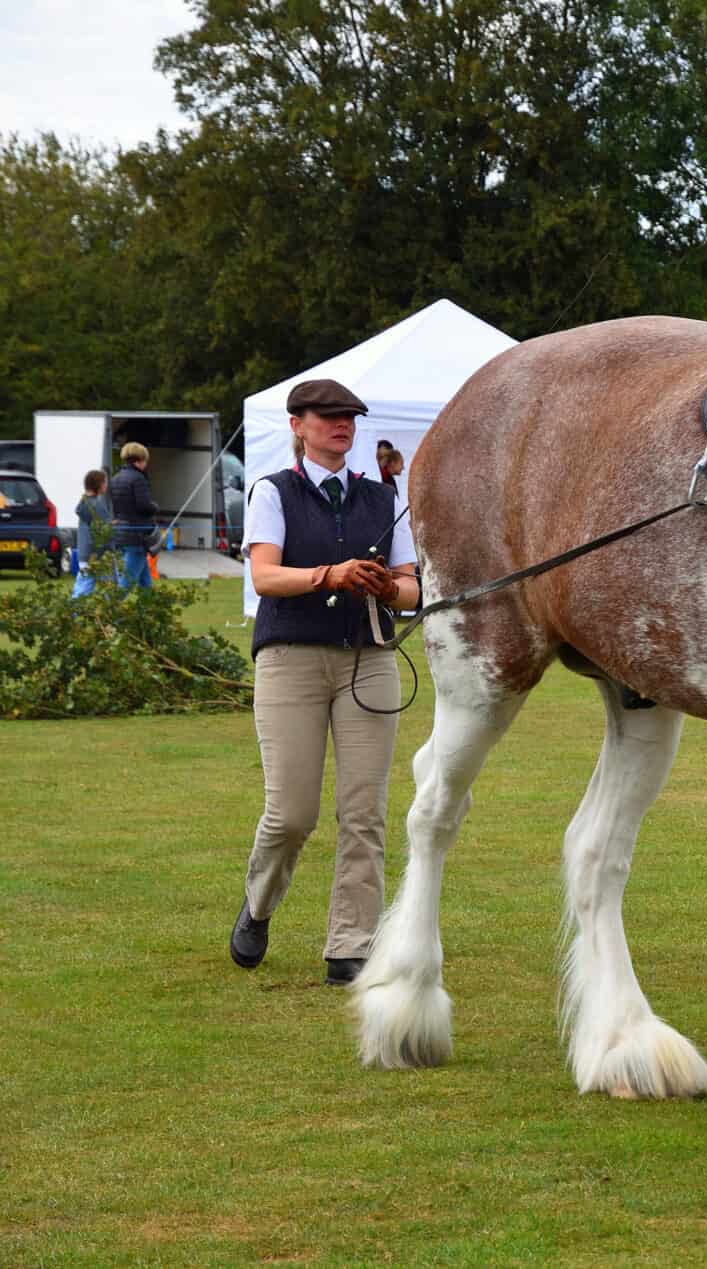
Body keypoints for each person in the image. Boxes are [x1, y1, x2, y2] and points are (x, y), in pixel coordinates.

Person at [228, 378, 421, 986]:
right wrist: (328, 575)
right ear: (297, 424)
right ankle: (258, 904)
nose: (342, 424)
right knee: (291, 813)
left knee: (365, 811)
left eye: (349, 417)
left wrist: (389, 588)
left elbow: (415, 588)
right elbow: (263, 577)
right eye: (328, 415)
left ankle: (351, 944)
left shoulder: (385, 499)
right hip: (290, 659)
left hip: (370, 659)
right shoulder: (272, 492)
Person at [107, 442, 158, 588]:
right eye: (145, 461)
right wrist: (155, 507)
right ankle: (110, 608)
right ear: (139, 460)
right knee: (126, 583)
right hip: (137, 536)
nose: (146, 464)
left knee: (145, 582)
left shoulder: (115, 479)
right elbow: (143, 506)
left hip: (121, 534)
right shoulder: (139, 479)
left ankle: (148, 610)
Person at [71, 469, 112, 596]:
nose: (107, 485)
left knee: (81, 589)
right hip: (98, 554)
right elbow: (105, 531)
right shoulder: (97, 505)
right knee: (110, 591)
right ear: (99, 484)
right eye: (105, 482)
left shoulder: (84, 503)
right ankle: (112, 615)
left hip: (85, 553)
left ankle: (69, 613)